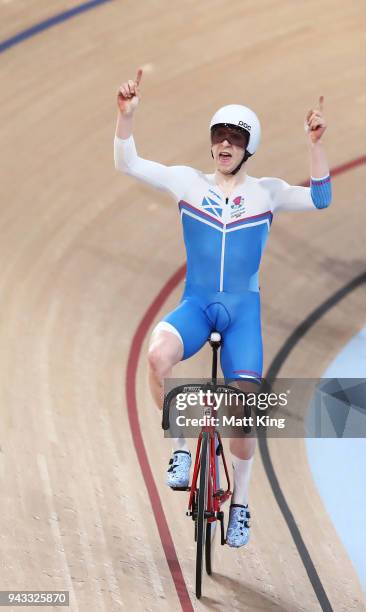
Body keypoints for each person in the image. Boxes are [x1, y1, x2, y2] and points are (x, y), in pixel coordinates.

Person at [114, 68, 332, 548]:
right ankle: (177, 448)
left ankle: (241, 504)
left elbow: (321, 198)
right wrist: (126, 117)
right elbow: (128, 163)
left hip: (241, 317)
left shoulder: (268, 192)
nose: (225, 145)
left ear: (249, 147)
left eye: (235, 138)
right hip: (196, 305)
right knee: (156, 356)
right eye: (219, 137)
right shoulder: (187, 182)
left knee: (244, 413)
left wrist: (316, 144)